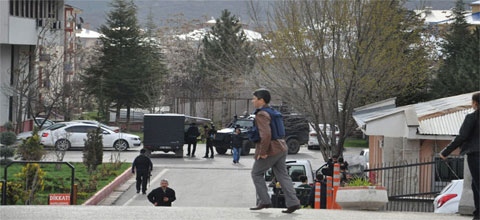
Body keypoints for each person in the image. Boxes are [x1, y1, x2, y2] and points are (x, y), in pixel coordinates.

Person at [249, 89, 301, 214]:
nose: (252, 101)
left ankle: (264, 201)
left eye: (254, 98)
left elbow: (265, 135)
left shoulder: (261, 114)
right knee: (283, 175)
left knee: (256, 173)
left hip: (271, 149)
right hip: (282, 146)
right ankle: (293, 202)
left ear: (261, 100)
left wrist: (262, 151)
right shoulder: (273, 112)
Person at [440, 92, 479, 220]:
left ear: (475, 103)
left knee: (478, 184)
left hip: (475, 154)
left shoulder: (472, 117)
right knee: (474, 184)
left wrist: (446, 152)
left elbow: (462, 137)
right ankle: (478, 213)